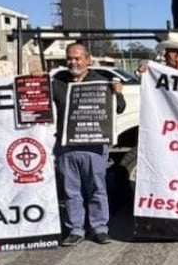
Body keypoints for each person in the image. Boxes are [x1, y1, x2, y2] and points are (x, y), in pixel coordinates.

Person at [52, 43, 126, 246]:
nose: (73, 62)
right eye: (69, 58)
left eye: (77, 58)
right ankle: (75, 229)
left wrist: (118, 93)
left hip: (94, 145)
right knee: (70, 190)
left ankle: (99, 228)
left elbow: (119, 107)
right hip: (66, 145)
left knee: (97, 188)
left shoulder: (101, 82)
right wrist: (35, 80)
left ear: (87, 60)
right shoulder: (57, 82)